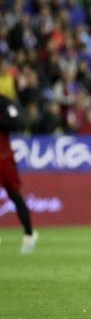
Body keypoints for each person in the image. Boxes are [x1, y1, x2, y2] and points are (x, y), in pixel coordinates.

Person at [0, 77, 37, 254]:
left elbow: (18, 123)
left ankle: (29, 233)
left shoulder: (5, 103)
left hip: (3, 158)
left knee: (14, 194)